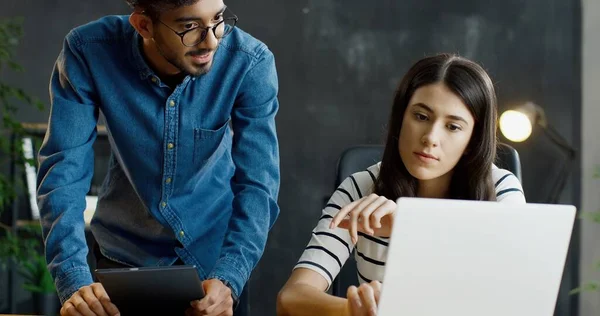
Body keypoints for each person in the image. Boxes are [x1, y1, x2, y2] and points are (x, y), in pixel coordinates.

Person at [36, 0, 280, 315]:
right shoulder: (88, 50)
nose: (211, 41)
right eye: (189, 27)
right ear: (144, 26)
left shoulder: (249, 61)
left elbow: (258, 183)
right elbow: (62, 173)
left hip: (215, 264)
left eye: (218, 19)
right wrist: (73, 279)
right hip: (123, 258)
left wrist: (231, 274)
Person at [276, 53, 525, 316]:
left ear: (472, 141)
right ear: (400, 118)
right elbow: (290, 299)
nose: (430, 137)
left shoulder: (500, 189)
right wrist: (356, 309)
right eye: (420, 116)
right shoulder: (361, 189)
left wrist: (409, 226)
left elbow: (515, 296)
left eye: (452, 127)